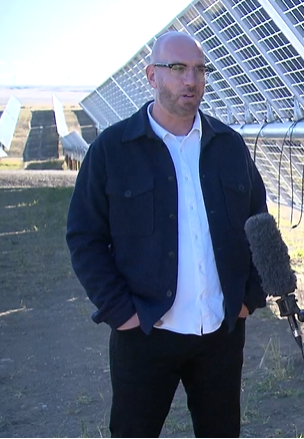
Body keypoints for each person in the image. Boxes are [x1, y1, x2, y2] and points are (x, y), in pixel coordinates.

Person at [66, 32, 268, 438]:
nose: (189, 80)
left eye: (198, 69)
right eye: (177, 69)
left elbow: (259, 223)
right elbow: (84, 236)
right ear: (151, 75)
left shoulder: (229, 146)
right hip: (145, 333)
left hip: (219, 333)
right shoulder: (112, 150)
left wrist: (249, 297)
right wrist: (120, 311)